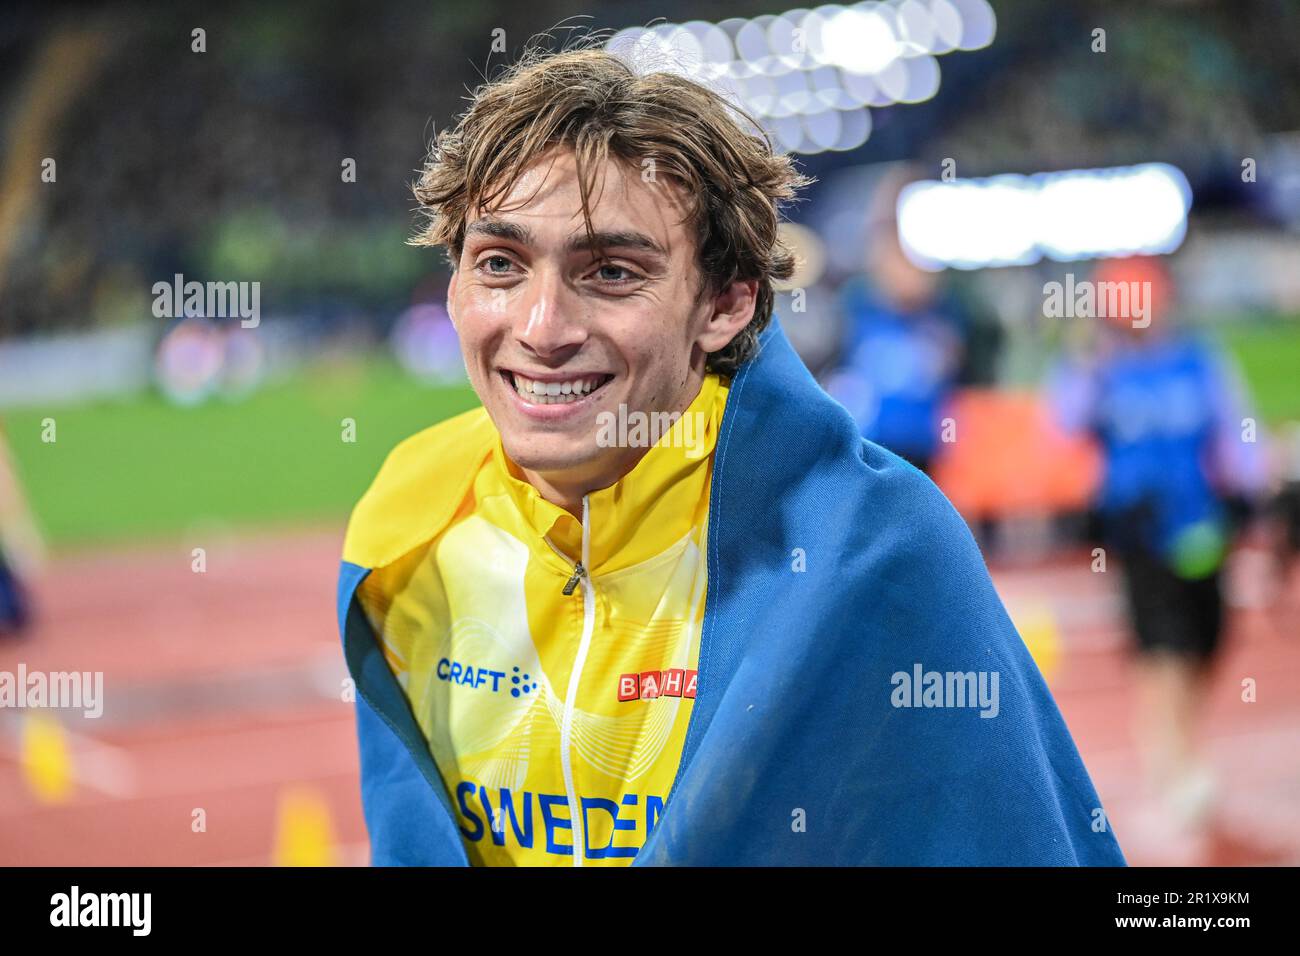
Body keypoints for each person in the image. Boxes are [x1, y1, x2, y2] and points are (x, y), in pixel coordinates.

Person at [337, 45, 1125, 866]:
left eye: (609, 271)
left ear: (726, 302)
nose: (541, 328)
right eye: (499, 264)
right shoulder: (405, 530)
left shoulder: (869, 548)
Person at [1048, 255, 1266, 862]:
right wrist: (1087, 358)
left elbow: (1235, 428)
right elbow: (1061, 424)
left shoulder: (1199, 358)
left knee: (1207, 643)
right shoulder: (1101, 367)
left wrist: (1251, 493)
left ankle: (1183, 748)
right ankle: (1174, 764)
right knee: (1161, 648)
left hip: (1202, 532)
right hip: (1139, 535)